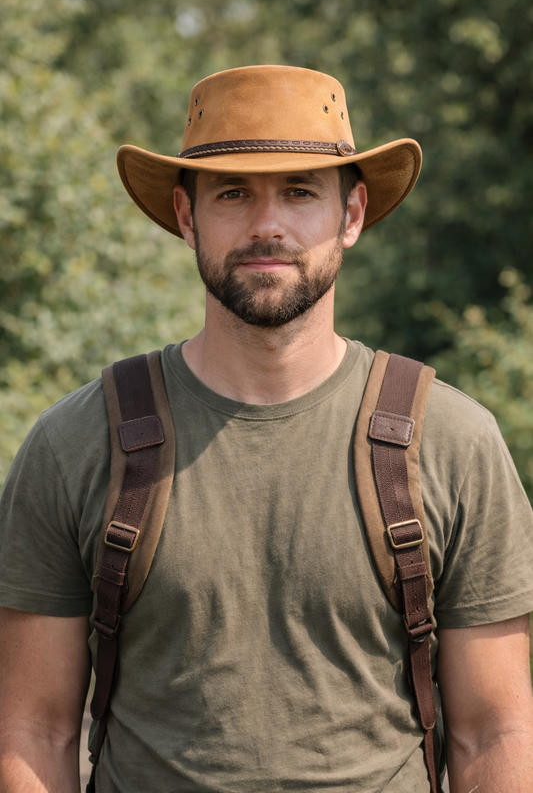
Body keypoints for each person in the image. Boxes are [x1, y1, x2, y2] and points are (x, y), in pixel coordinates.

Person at [0, 65, 533, 793]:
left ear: (350, 215)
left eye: (299, 192)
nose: (266, 226)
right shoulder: (77, 442)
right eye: (231, 194)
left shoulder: (449, 441)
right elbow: (34, 732)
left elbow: (493, 735)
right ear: (187, 218)